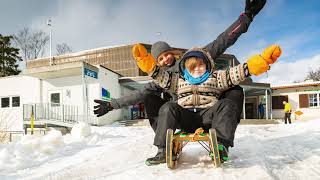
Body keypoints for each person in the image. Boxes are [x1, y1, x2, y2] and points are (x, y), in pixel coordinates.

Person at [94, 0, 266, 165]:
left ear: (173, 53)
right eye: (160, 59)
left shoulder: (195, 59)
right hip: (182, 115)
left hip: (209, 111)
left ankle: (223, 139)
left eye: (167, 54)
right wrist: (111, 105)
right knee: (149, 97)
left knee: (235, 90)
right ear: (156, 64)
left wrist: (246, 17)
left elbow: (223, 40)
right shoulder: (162, 78)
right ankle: (165, 144)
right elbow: (139, 93)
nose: (165, 59)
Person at [140, 44, 281, 165]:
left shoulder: (215, 77)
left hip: (208, 117)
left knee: (227, 104)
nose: (196, 69)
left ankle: (221, 146)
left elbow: (235, 73)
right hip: (186, 117)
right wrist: (149, 66)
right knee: (168, 107)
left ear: (207, 65)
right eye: (192, 66)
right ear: (185, 69)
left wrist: (257, 63)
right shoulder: (179, 80)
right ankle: (163, 150)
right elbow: (161, 77)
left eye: (200, 65)